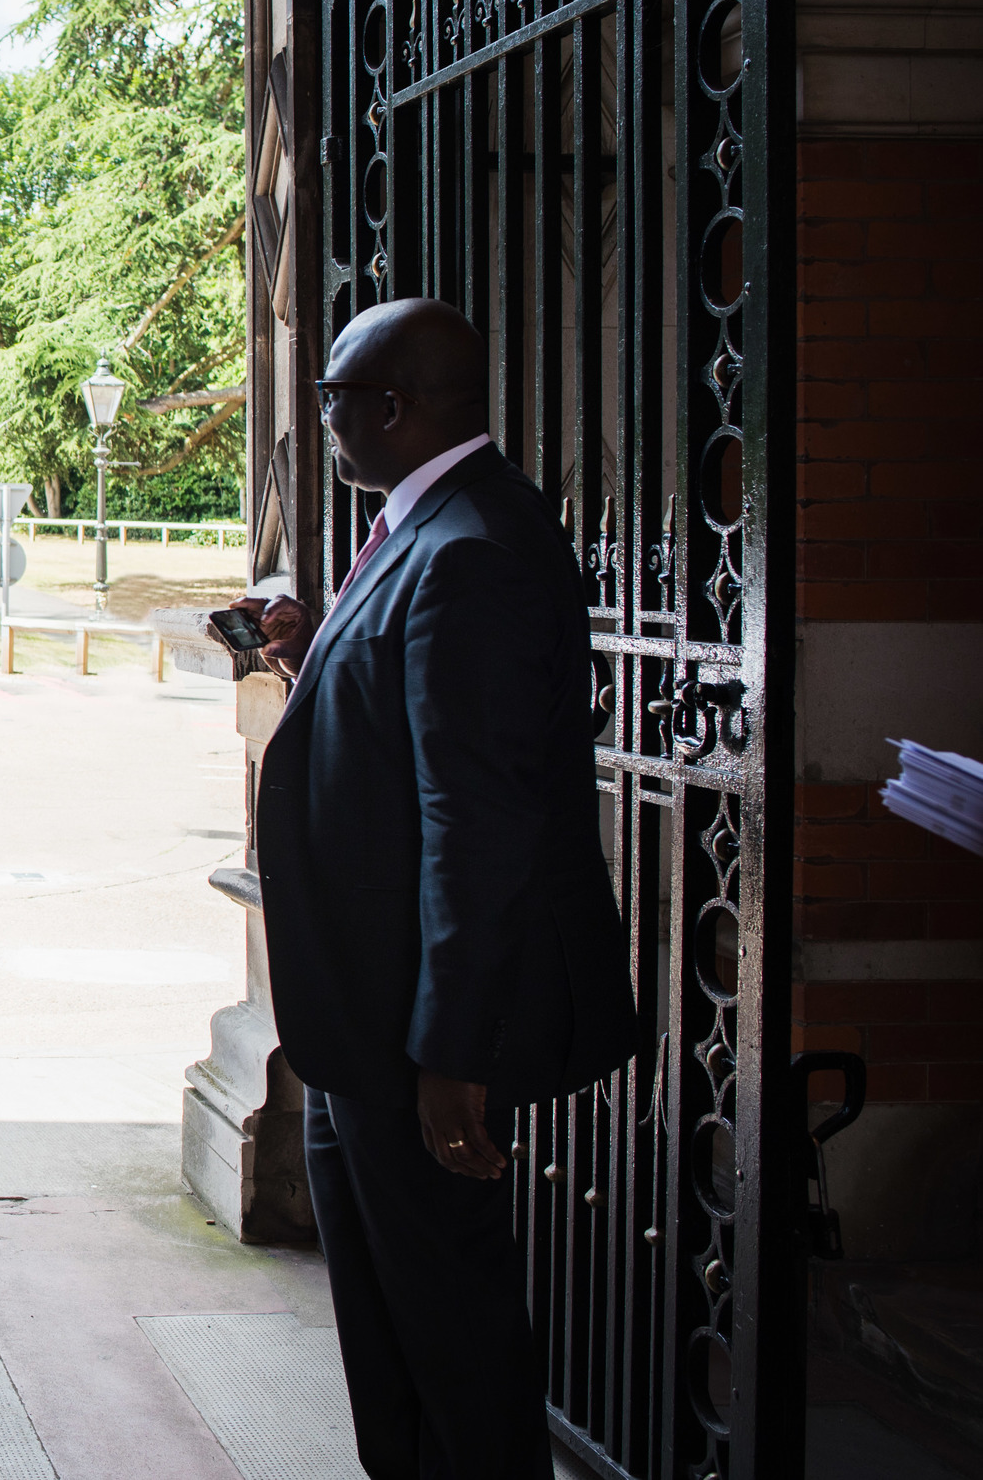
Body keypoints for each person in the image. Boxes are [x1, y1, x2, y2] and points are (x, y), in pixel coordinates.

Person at [233, 297, 639, 1479]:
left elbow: (479, 817)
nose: (322, 420)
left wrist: (448, 1050)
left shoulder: (472, 548)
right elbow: (414, 738)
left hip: (419, 1023)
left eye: (333, 398)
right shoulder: (425, 526)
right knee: (387, 1314)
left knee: (448, 1323)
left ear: (394, 405)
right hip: (362, 1011)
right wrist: (314, 657)